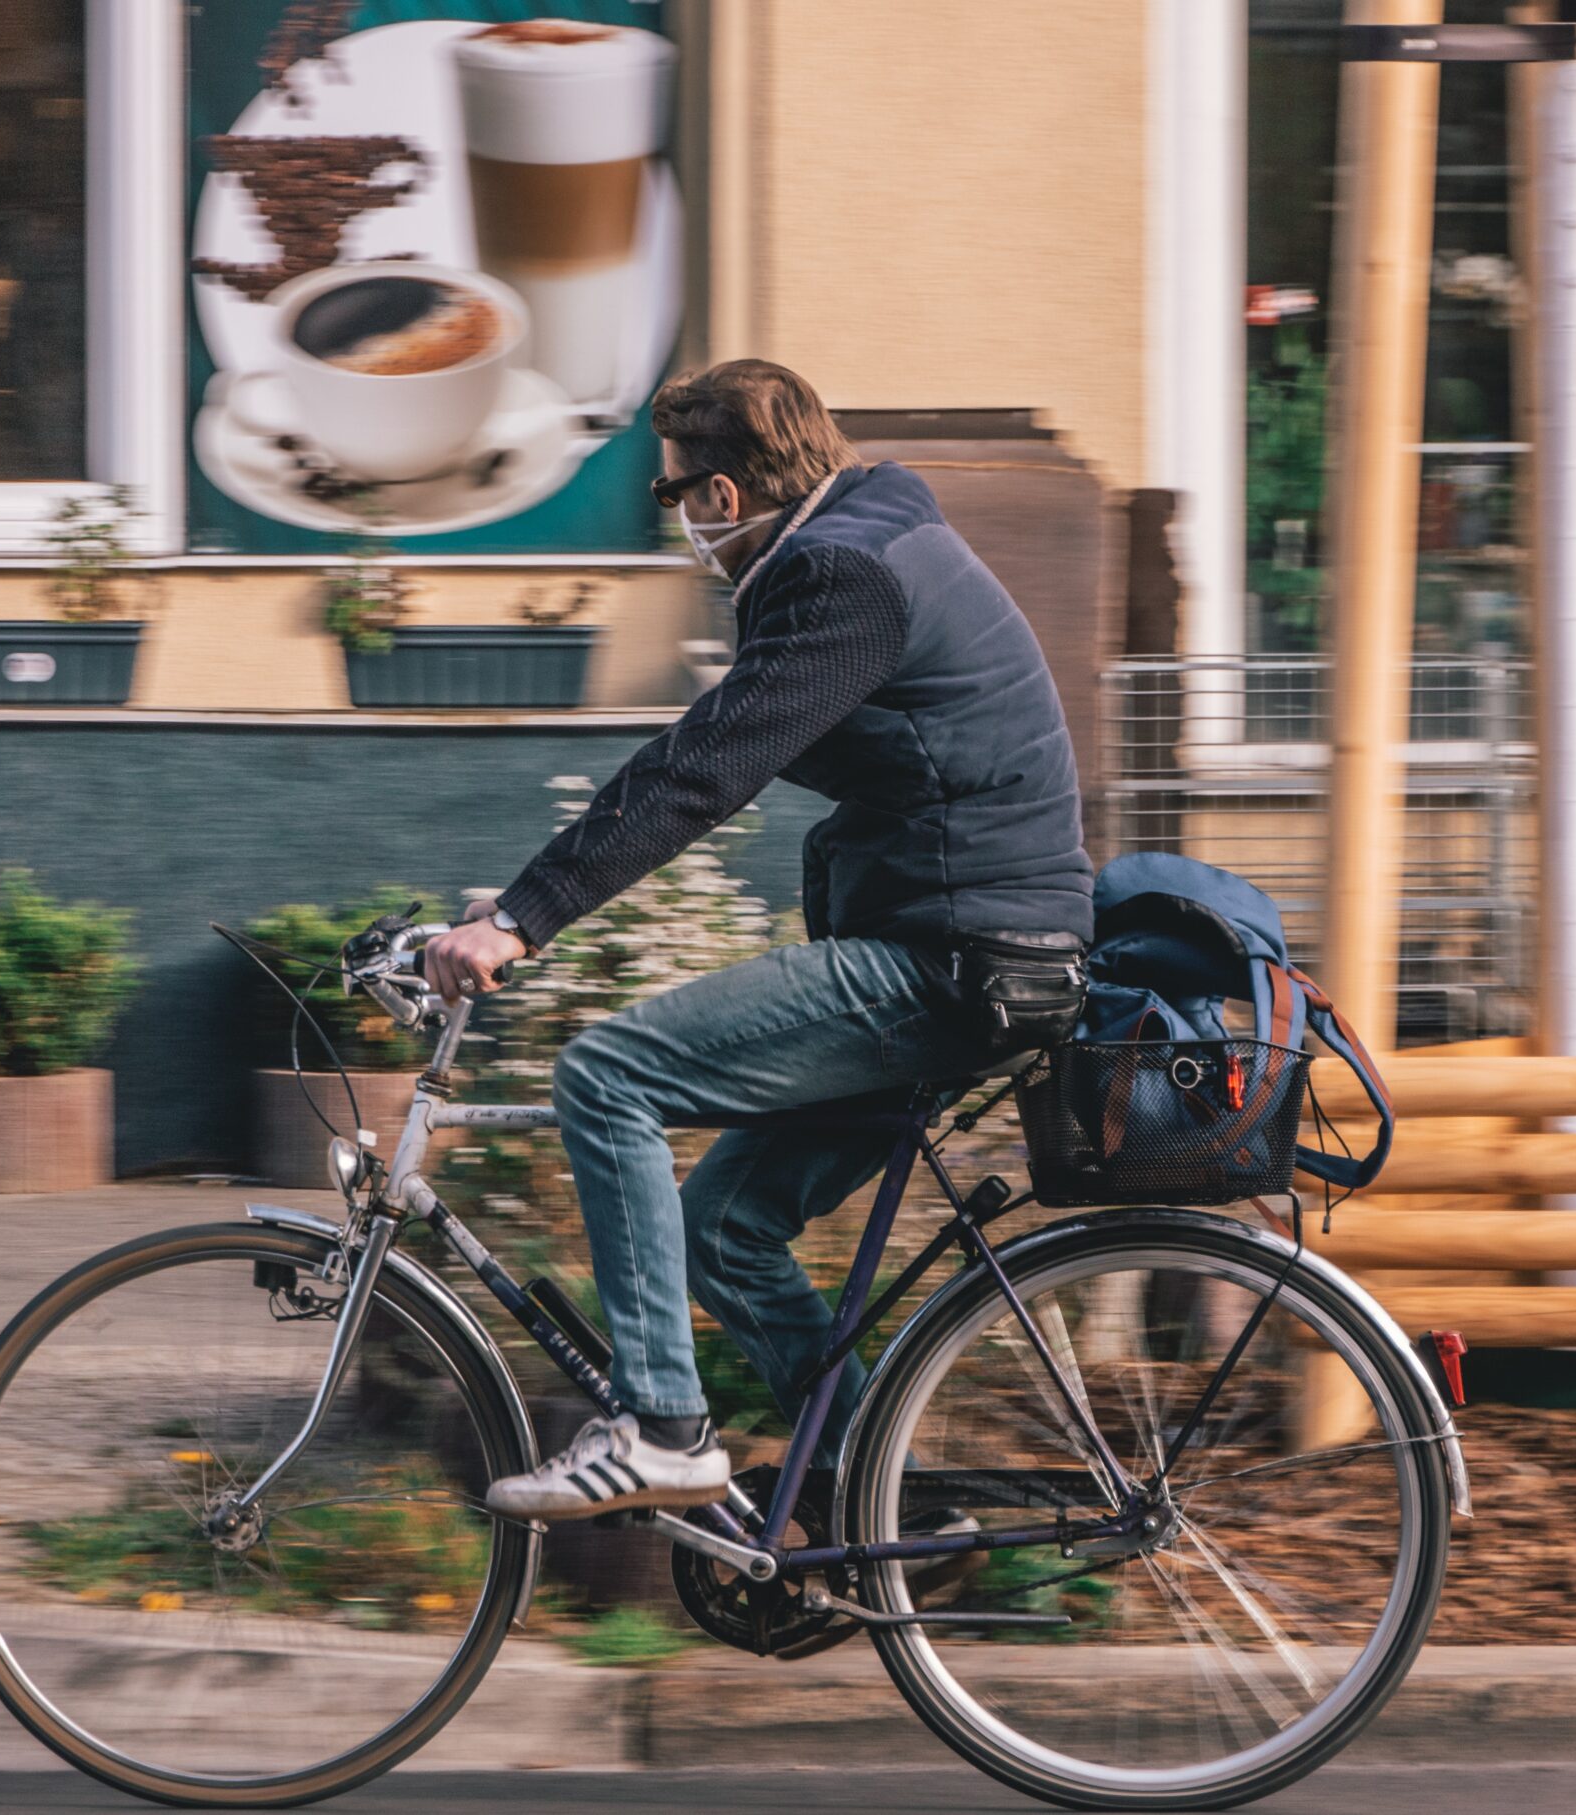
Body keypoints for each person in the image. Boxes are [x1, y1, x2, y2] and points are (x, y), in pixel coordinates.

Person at [421, 360, 1095, 1521]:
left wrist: (520, 920)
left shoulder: (841, 578)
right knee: (720, 1230)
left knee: (608, 1073)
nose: (679, 519)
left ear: (722, 497)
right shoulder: (869, 538)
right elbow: (719, 754)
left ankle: (662, 1430)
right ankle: (886, 1506)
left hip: (953, 961)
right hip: (974, 945)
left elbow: (705, 769)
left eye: (675, 494)